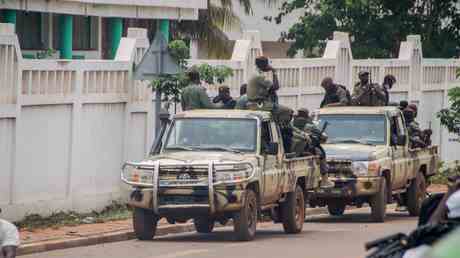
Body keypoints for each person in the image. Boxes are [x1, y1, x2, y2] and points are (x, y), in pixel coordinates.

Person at [293, 108, 333, 188]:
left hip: (291, 149)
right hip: (305, 148)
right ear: (306, 115)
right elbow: (323, 137)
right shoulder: (309, 125)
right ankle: (324, 180)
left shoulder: (292, 122)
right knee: (322, 153)